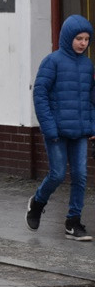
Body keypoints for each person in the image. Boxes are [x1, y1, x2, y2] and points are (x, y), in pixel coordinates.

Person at [27, 14, 95, 241]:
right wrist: (49, 128)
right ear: (68, 37)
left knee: (81, 176)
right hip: (56, 132)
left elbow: (91, 99)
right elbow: (40, 95)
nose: (83, 43)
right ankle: (37, 203)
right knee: (56, 174)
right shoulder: (52, 61)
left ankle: (73, 222)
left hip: (80, 132)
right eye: (79, 38)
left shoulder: (87, 65)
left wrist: (92, 126)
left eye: (87, 39)